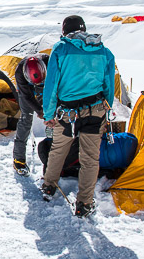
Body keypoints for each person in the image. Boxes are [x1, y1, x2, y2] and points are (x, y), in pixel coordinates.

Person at [41, 15, 116, 218]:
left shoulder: (61, 49)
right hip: (95, 110)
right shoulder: (104, 51)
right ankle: (84, 203)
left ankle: (49, 185)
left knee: (58, 150)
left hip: (68, 113)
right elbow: (109, 85)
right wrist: (107, 108)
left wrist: (48, 113)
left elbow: (52, 84)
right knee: (90, 158)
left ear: (64, 31)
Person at [13, 54, 49, 176]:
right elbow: (26, 96)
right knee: (26, 119)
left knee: (54, 117)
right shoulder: (19, 72)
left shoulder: (50, 62)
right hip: (27, 90)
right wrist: (39, 111)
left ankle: (56, 156)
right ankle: (18, 159)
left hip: (47, 87)